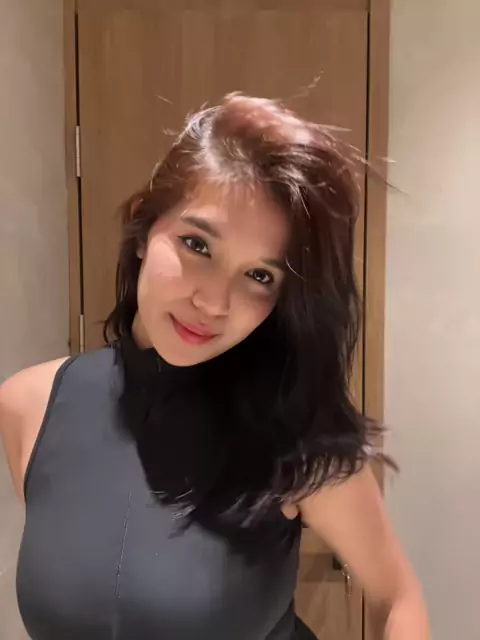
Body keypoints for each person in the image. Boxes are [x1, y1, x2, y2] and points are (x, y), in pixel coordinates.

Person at [0, 94, 429, 640]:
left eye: (260, 276)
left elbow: (398, 597)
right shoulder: (29, 405)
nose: (213, 302)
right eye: (197, 244)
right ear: (142, 229)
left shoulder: (298, 436)